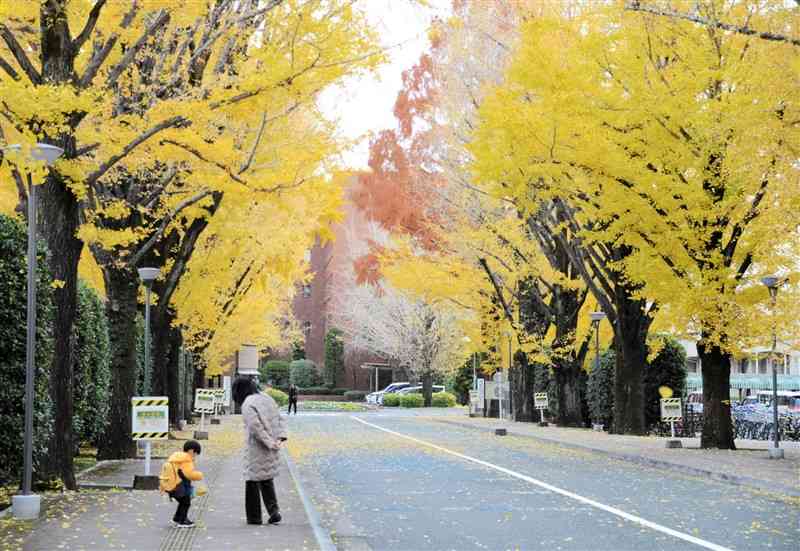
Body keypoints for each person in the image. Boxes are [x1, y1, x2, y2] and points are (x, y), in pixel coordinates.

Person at [232, 376, 288, 525]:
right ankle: (274, 511)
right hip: (273, 446)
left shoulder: (248, 403)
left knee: (252, 480)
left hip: (257, 447)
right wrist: (279, 439)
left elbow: (255, 427)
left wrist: (269, 443)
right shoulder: (267, 398)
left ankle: (254, 517)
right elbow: (280, 418)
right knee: (266, 478)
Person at [167, 440, 204, 528]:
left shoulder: (178, 458)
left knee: (183, 502)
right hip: (180, 485)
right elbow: (188, 474)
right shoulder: (186, 460)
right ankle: (183, 520)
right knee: (186, 502)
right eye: (195, 453)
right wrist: (199, 475)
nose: (195, 456)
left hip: (172, 484)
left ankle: (177, 518)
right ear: (191, 451)